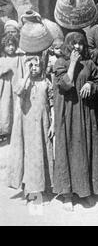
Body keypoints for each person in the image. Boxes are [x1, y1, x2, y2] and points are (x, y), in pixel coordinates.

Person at [53, 32, 98, 211]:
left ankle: (86, 191)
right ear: (68, 46)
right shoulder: (61, 63)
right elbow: (64, 85)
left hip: (87, 113)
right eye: (74, 44)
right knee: (69, 148)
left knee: (87, 148)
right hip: (69, 114)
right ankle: (67, 195)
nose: (77, 47)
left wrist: (91, 84)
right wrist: (73, 63)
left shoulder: (90, 63)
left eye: (80, 44)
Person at [7, 55, 54, 208]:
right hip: (27, 126)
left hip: (42, 123)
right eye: (31, 65)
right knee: (30, 157)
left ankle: (43, 188)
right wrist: (26, 74)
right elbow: (19, 91)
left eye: (37, 66)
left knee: (43, 155)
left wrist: (52, 123)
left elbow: (52, 103)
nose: (34, 68)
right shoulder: (23, 82)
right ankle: (33, 193)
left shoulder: (46, 82)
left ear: (41, 67)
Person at [0, 34, 25, 142]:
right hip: (4, 90)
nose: (11, 48)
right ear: (3, 47)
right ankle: (5, 131)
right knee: (5, 108)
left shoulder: (20, 58)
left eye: (13, 45)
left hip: (16, 88)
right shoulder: (2, 60)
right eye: (8, 45)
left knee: (16, 107)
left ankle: (16, 131)